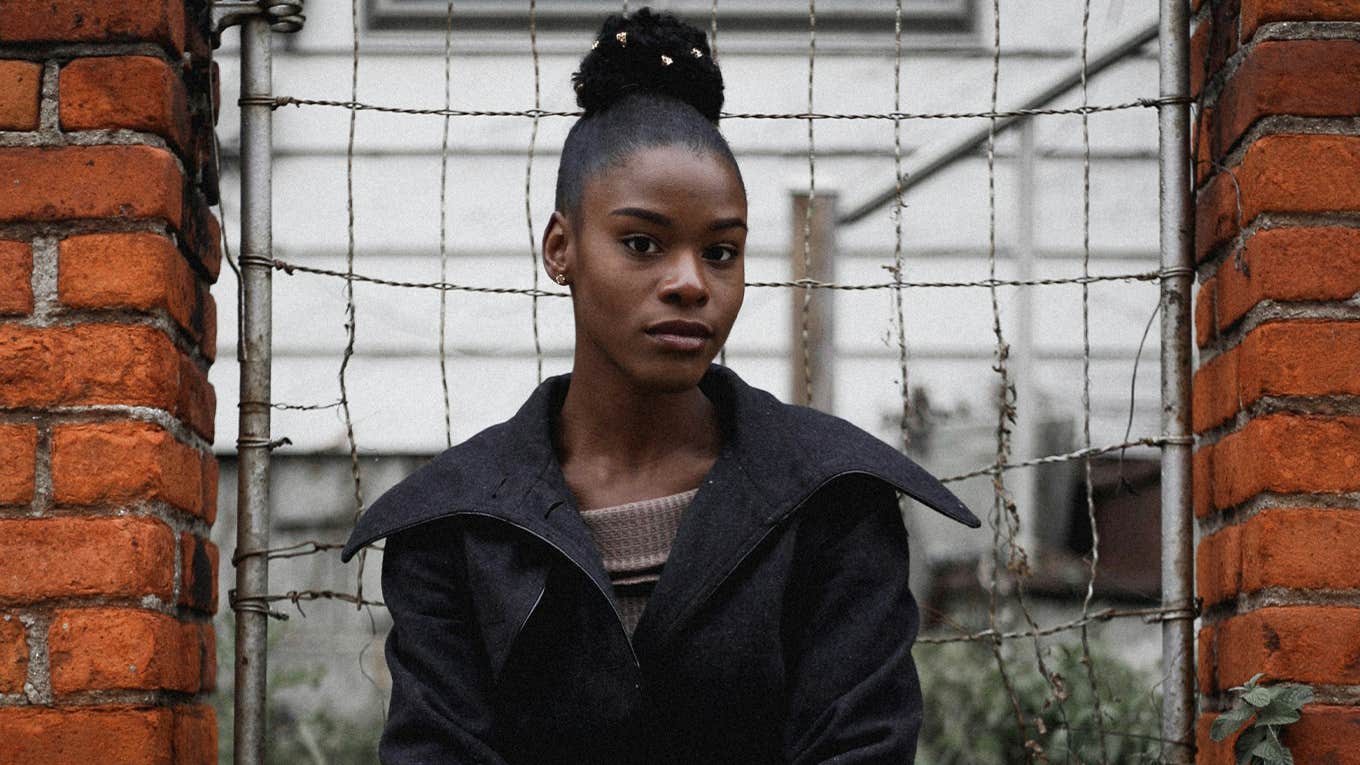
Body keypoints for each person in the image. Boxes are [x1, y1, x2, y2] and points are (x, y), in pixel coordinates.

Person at [341, 8, 980, 763]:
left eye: (720, 251)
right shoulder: (456, 529)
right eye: (642, 243)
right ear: (560, 248)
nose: (689, 282)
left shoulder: (831, 502)